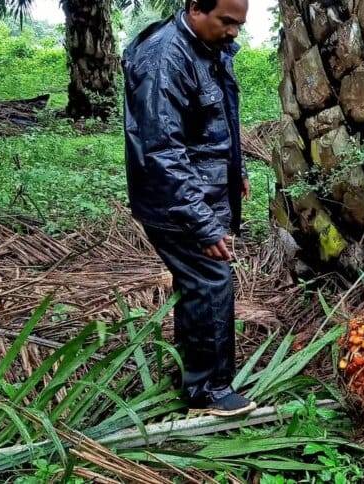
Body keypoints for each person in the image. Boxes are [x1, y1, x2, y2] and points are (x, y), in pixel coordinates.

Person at [122, 0, 254, 416]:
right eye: (227, 21)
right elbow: (160, 151)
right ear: (195, 8)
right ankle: (208, 391)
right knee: (211, 280)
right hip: (175, 200)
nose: (234, 32)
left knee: (198, 284)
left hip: (198, 192)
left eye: (239, 24)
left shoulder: (206, 47)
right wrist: (203, 225)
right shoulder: (165, 57)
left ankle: (192, 374)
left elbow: (218, 119)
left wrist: (238, 168)